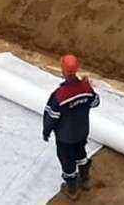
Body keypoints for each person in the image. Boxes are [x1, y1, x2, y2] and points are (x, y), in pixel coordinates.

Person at [42, 54, 100, 200]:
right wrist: (88, 87)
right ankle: (85, 179)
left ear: (63, 69)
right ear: (77, 69)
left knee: (67, 160)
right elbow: (95, 102)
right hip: (82, 132)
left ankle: (72, 189)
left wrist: (46, 131)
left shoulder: (59, 95)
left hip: (65, 137)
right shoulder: (86, 88)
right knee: (81, 153)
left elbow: (51, 116)